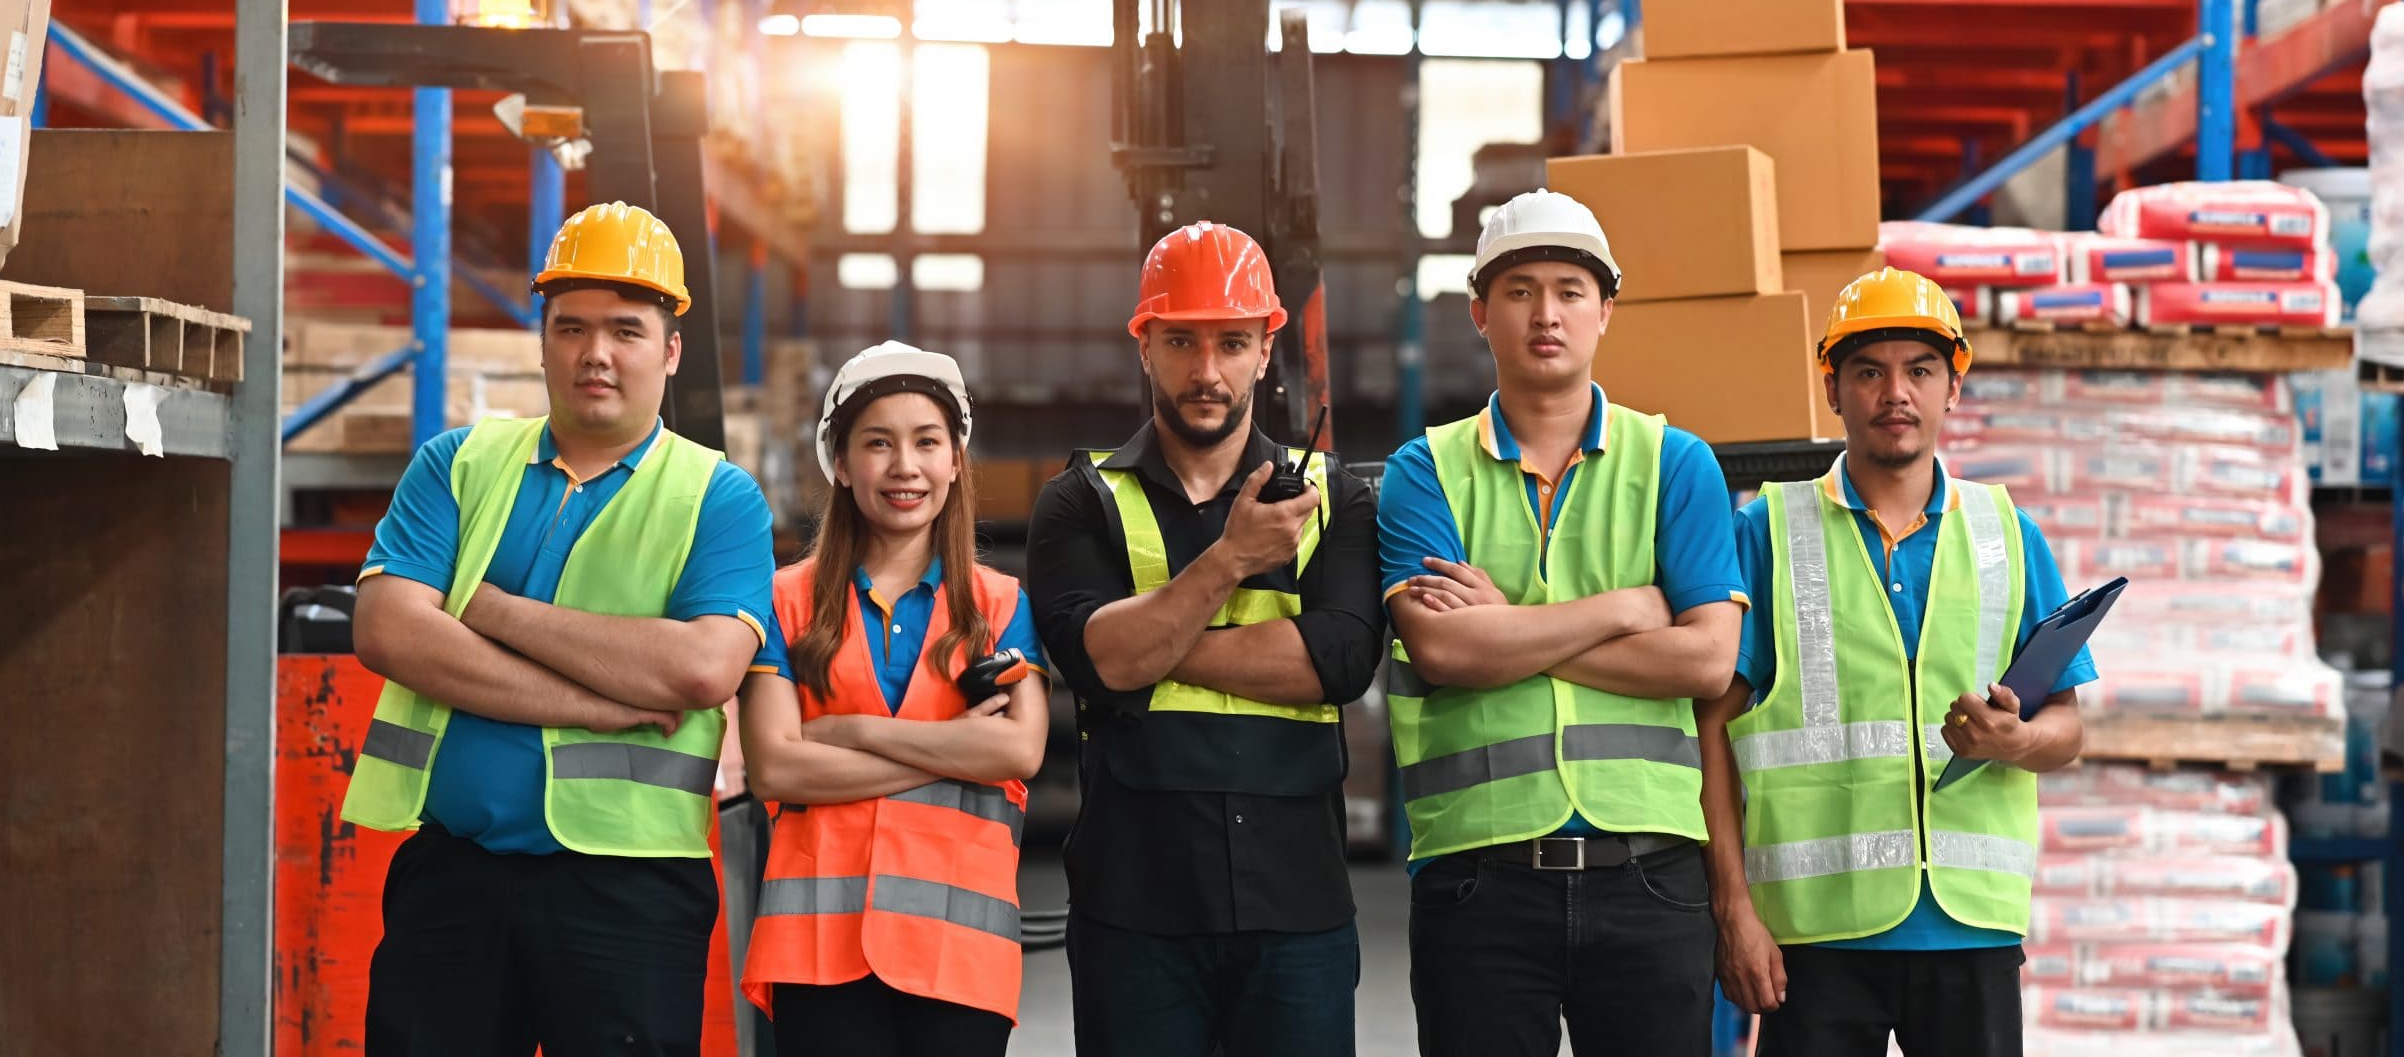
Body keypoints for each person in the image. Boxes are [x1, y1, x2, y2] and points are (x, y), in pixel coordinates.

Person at [344, 201, 782, 1056]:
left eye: (626, 329)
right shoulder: (457, 464)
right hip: (454, 876)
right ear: (541, 340)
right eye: (571, 327)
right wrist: (606, 701)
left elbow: (700, 669)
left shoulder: (718, 497)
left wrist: (480, 603)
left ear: (670, 349)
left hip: (632, 892)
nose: (596, 353)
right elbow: (389, 629)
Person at [1378, 188, 1745, 1057]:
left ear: (1606, 309)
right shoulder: (1422, 470)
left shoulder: (1676, 464)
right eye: (1520, 290)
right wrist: (1624, 609)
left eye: (1571, 290)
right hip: (1479, 884)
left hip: (1650, 879)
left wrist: (1512, 629)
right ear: (1478, 311)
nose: (1547, 313)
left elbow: (1705, 659)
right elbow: (1442, 645)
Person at [1697, 267, 2095, 1057]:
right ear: (1833, 390)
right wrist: (1733, 910)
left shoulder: (2007, 533)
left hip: (1969, 925)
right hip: (1812, 933)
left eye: (1919, 370)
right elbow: (1710, 730)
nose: (1894, 392)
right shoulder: (1768, 530)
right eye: (1868, 371)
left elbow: (2068, 727)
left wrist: (2013, 742)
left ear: (1953, 387)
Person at [1025, 221, 1385, 1057]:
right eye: (1181, 341)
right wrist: (1232, 562)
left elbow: (1336, 661)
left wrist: (1143, 650)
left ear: (1266, 351)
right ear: (1144, 345)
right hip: (1136, 915)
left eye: (1232, 342)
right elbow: (1094, 659)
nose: (1206, 369)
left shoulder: (1337, 498)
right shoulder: (1081, 502)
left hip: (1298, 912)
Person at [735, 340, 1052, 1057]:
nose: (904, 465)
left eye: (926, 442)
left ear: (955, 460)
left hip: (959, 956)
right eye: (878, 443)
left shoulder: (1000, 605)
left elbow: (1019, 750)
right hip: (819, 951)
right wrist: (955, 749)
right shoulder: (784, 601)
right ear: (841, 464)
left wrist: (847, 730)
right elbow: (778, 770)